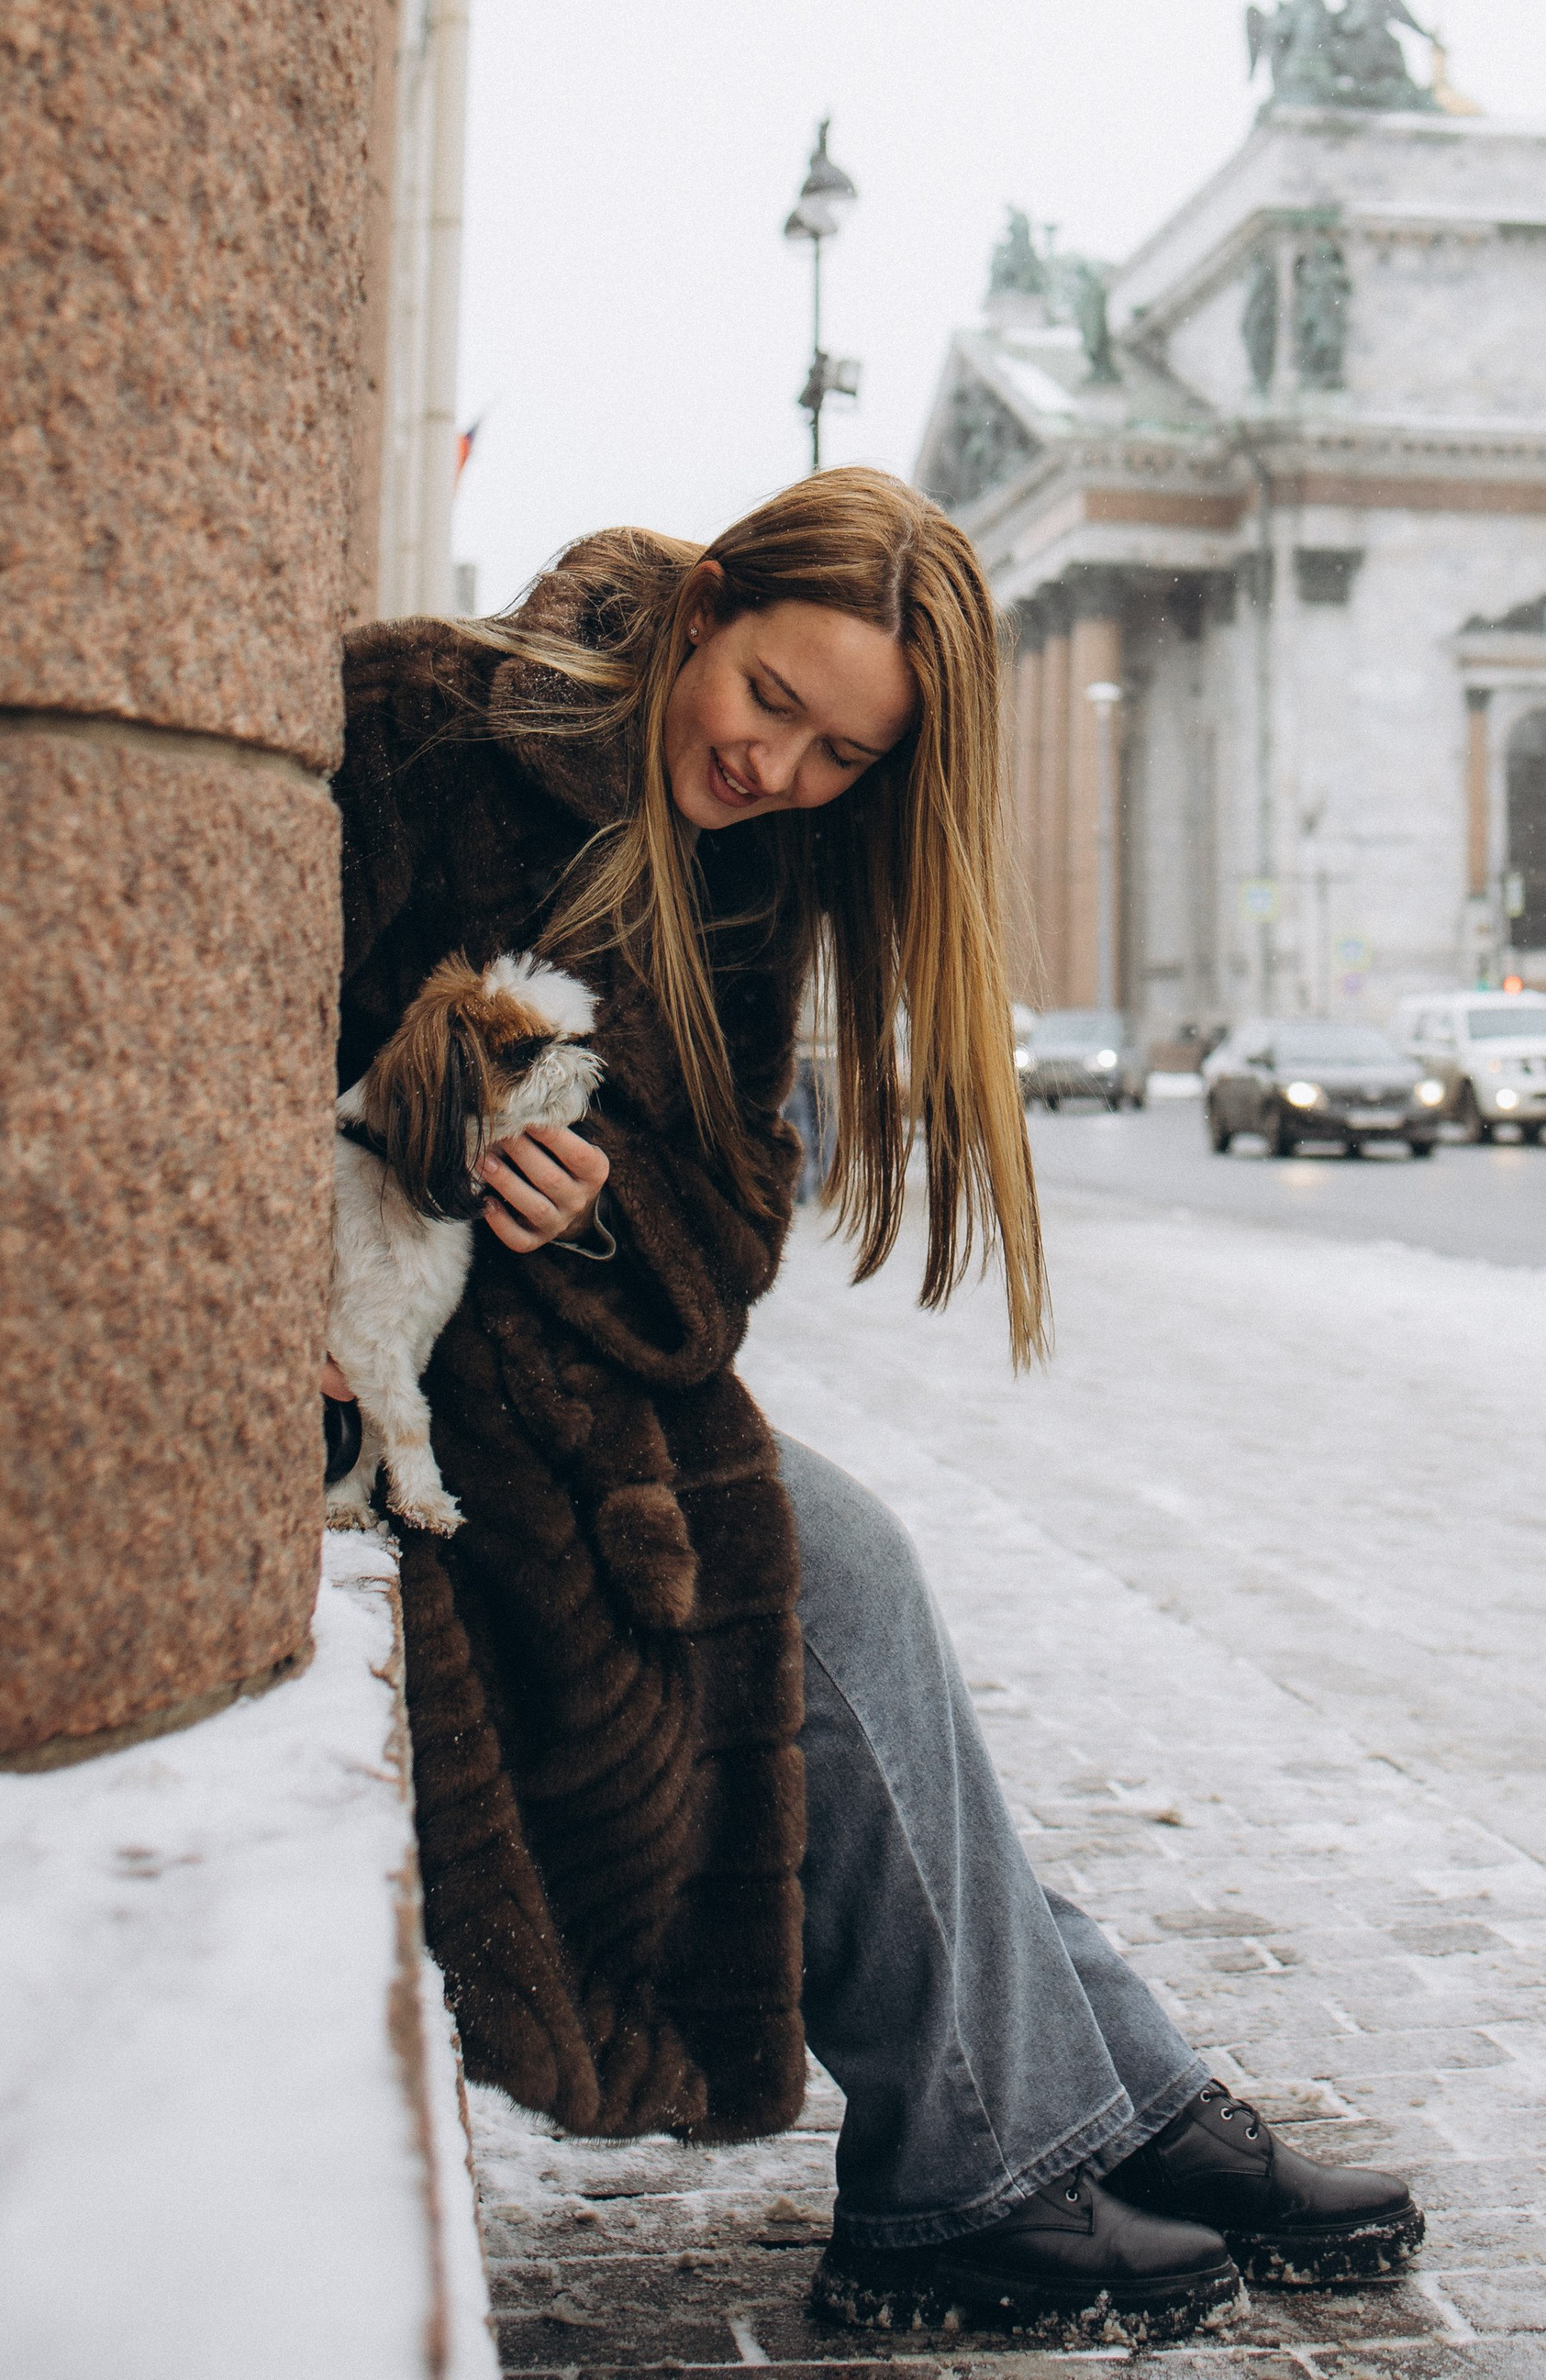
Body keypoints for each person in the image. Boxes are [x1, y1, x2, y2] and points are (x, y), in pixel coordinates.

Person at [331, 468, 1421, 2344]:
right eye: (769, 702)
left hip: (564, 1402)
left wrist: (602, 1228)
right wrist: (414, 1135)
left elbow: (734, 1229)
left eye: (840, 756)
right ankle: (978, 2174)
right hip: (394, 1414)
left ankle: (1086, 2111)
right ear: (700, 609)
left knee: (844, 1587)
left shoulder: (744, 881)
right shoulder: (422, 725)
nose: (779, 775)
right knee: (819, 1581)